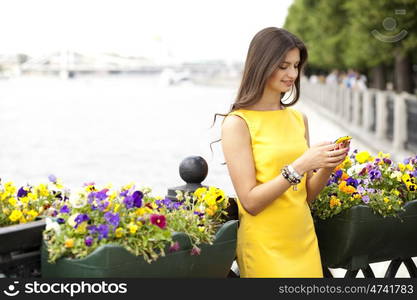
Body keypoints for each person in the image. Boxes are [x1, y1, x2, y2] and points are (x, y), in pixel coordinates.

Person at [220, 27, 349, 278]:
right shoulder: (237, 123)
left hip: (304, 238)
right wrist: (300, 165)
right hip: (265, 245)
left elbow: (306, 196)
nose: (292, 74)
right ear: (262, 64)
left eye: (296, 65)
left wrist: (327, 165)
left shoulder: (299, 119)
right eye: (283, 66)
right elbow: (250, 202)